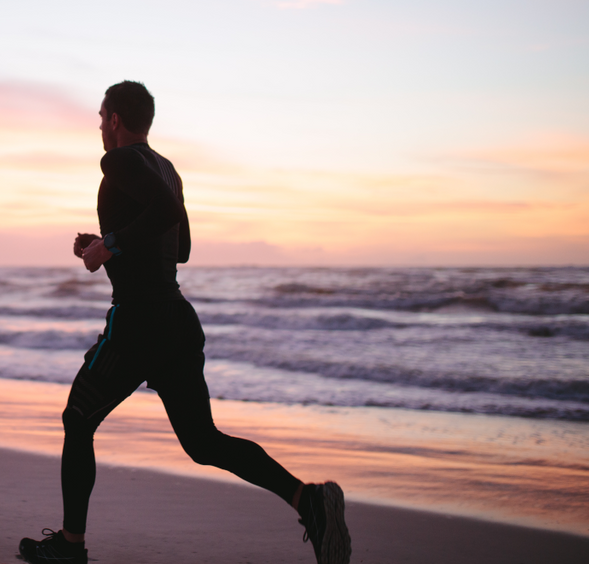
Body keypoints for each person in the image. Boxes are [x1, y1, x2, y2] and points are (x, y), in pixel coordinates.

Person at [18, 81, 351, 564]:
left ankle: (70, 548)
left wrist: (109, 245)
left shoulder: (120, 160)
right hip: (175, 320)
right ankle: (309, 501)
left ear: (114, 119)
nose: (98, 125)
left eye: (100, 116)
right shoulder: (167, 169)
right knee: (203, 442)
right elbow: (181, 247)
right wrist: (107, 240)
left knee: (77, 419)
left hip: (138, 323)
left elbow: (165, 217)